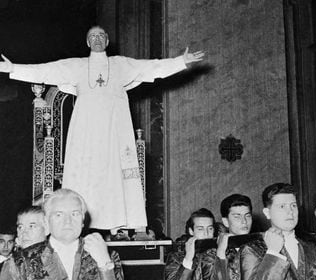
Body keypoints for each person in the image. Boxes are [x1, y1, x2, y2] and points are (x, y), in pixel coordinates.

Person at [0, 25, 204, 235]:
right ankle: (78, 226)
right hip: (86, 131)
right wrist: (13, 69)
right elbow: (45, 70)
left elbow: (152, 67)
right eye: (92, 36)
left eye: (101, 36)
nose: (97, 39)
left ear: (107, 41)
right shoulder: (77, 66)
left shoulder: (121, 65)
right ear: (88, 42)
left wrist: (181, 62)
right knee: (84, 174)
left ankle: (120, 224)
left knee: (116, 172)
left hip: (116, 130)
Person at [0, 188, 133, 280]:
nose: (68, 221)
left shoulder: (107, 257)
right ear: (46, 221)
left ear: (82, 220)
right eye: (59, 215)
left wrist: (105, 265)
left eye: (75, 214)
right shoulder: (19, 262)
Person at [164, 208, 228, 280]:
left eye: (210, 228)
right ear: (191, 231)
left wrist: (221, 255)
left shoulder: (222, 255)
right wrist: (188, 258)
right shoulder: (176, 257)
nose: (206, 233)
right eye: (200, 229)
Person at [206, 193, 253, 280]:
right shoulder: (211, 253)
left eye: (247, 216)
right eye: (237, 216)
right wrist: (221, 253)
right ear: (226, 222)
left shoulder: (261, 249)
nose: (244, 221)